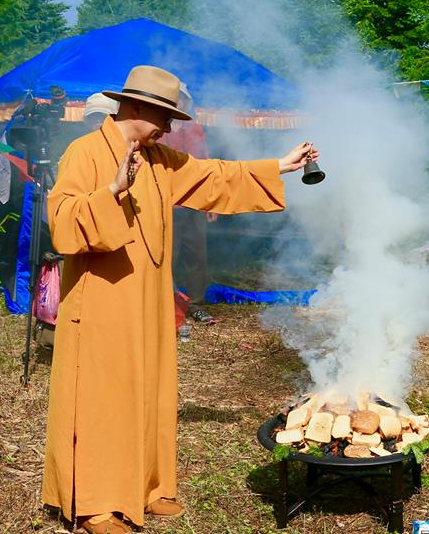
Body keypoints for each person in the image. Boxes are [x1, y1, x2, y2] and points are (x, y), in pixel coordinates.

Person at [41, 65, 318, 534]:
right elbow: (63, 222)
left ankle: (144, 486)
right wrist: (112, 191)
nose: (170, 128)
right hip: (103, 302)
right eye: (164, 117)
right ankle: (95, 505)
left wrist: (279, 166)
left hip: (148, 298)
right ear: (134, 108)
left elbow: (213, 178)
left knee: (148, 389)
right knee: (103, 397)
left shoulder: (160, 160)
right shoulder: (84, 152)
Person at [160, 84, 216, 324]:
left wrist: (210, 201)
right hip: (166, 204)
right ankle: (164, 305)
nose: (178, 102)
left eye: (182, 98)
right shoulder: (159, 128)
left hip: (193, 203)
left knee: (196, 256)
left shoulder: (195, 129)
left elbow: (205, 165)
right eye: (175, 98)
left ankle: (195, 304)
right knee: (166, 257)